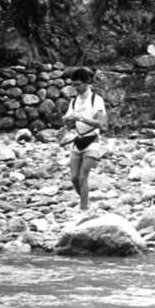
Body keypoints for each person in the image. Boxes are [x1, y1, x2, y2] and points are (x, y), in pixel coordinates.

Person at [61, 67, 107, 211]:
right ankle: (85, 201)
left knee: (83, 176)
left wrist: (80, 118)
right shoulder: (74, 102)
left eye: (78, 85)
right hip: (78, 140)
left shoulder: (96, 100)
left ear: (87, 83)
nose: (75, 88)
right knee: (74, 177)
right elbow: (69, 122)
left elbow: (100, 123)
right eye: (73, 85)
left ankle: (83, 209)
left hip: (92, 139)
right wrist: (67, 121)